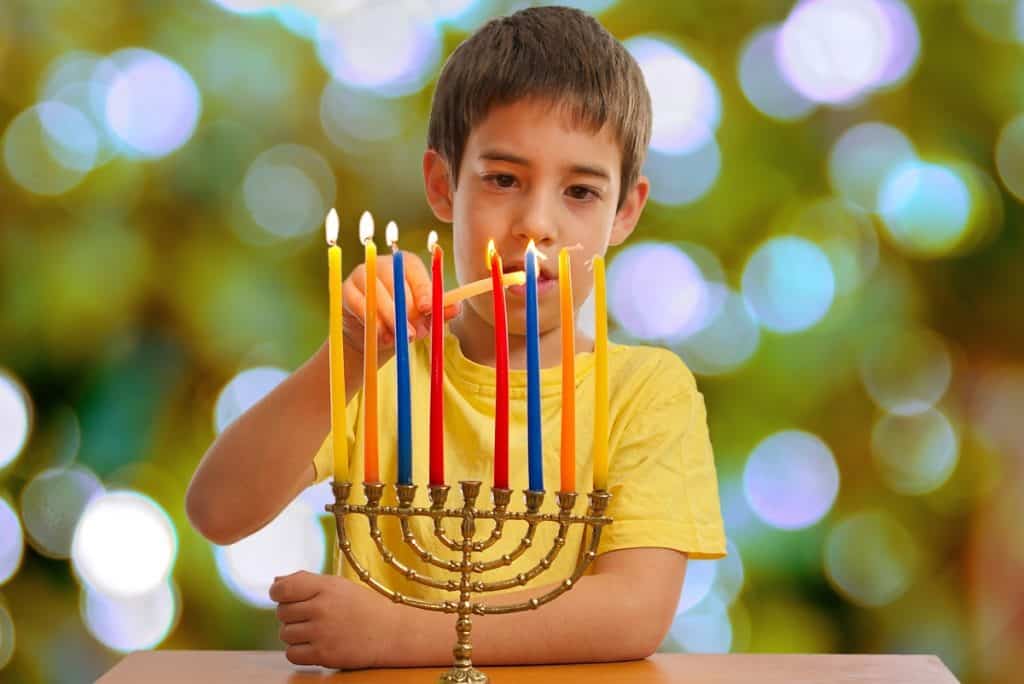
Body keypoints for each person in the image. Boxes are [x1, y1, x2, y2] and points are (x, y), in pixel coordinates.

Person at [187, 5, 726, 670]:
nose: (536, 225)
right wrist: (352, 354)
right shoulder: (383, 372)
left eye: (580, 192)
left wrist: (396, 635)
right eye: (504, 180)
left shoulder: (645, 392)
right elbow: (218, 510)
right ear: (443, 186)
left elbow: (634, 613)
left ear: (626, 212)